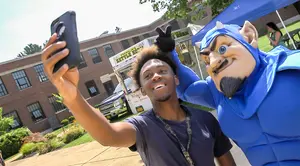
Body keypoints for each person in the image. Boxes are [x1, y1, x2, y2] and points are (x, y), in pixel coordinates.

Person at [41, 32, 236, 166]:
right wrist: (73, 96)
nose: (156, 76)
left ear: (176, 79)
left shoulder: (206, 120)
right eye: (148, 76)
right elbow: (108, 134)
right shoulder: (141, 127)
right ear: (142, 90)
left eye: (162, 71)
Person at [156, 21, 300, 166]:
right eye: (206, 59)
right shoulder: (217, 92)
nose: (213, 63)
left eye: (222, 48)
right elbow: (187, 88)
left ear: (249, 37)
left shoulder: (292, 68)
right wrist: (169, 54)